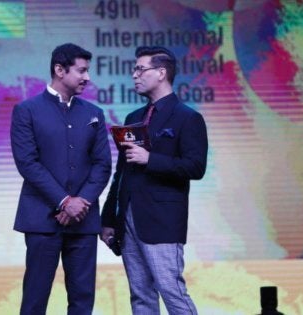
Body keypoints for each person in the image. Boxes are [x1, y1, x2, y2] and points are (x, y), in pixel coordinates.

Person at [101, 46, 208, 314]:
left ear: (161, 73)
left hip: (162, 220)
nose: (134, 75)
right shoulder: (133, 118)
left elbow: (196, 167)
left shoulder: (188, 118)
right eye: (134, 69)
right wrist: (108, 219)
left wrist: (151, 160)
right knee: (140, 296)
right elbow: (121, 172)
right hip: (128, 220)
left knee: (171, 290)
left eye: (140, 69)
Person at [10, 43, 112, 315]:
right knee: (35, 298)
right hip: (42, 220)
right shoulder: (27, 111)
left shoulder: (94, 113)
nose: (87, 77)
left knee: (82, 300)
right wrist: (65, 201)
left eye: (87, 71)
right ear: (59, 69)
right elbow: (28, 164)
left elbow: (103, 165)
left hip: (84, 220)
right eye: (81, 71)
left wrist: (81, 203)